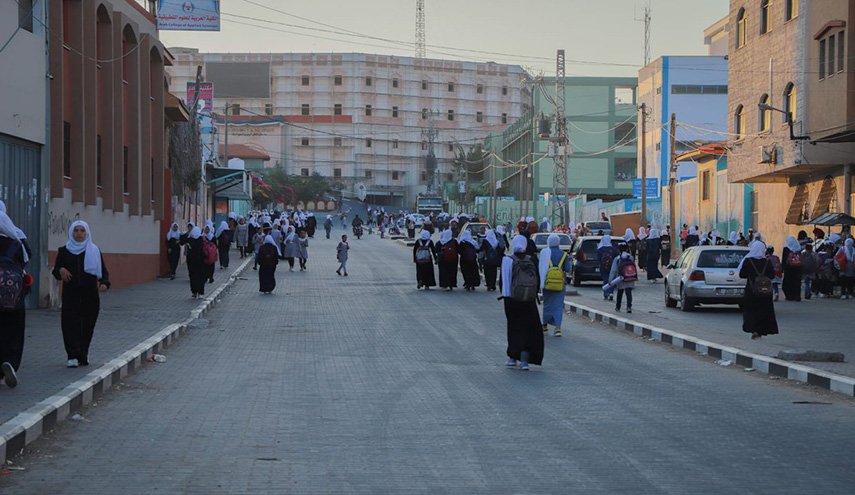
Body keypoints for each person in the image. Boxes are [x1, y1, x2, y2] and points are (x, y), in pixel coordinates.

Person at [52, 221, 110, 368]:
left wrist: (104, 282)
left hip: (89, 294)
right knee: (70, 324)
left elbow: (103, 270)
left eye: (82, 230)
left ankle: (83, 354)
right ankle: (72, 355)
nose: (79, 233)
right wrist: (60, 270)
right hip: (71, 294)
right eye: (76, 230)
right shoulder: (64, 251)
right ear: (71, 233)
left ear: (87, 233)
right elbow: (56, 270)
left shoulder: (94, 250)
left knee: (87, 325)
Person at [500, 235, 544, 371]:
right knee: (528, 329)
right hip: (529, 300)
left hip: (512, 300)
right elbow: (537, 279)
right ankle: (525, 361)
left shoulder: (507, 260)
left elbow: (503, 283)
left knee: (514, 328)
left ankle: (513, 357)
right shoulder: (532, 259)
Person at [0, 211, 30, 388]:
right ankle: (10, 361)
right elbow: (24, 264)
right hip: (13, 297)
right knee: (13, 330)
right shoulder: (15, 244)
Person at [739, 240, 779, 339]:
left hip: (751, 291)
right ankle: (761, 330)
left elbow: (742, 274)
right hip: (765, 290)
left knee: (751, 311)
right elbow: (772, 275)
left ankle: (753, 329)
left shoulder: (748, 261)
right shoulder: (767, 262)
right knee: (763, 311)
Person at [539, 233, 572, 337]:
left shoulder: (544, 253)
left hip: (547, 283)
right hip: (560, 284)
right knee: (558, 305)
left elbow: (539, 267)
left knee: (547, 304)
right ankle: (557, 328)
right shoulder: (564, 254)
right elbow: (568, 269)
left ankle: (544, 325)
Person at [608, 243, 636, 314]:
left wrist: (610, 280)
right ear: (627, 249)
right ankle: (629, 307)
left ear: (618, 250)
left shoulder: (617, 258)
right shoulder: (631, 257)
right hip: (630, 276)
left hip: (620, 277)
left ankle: (618, 307)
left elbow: (613, 270)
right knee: (628, 292)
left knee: (620, 292)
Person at [180, 226, 207, 298]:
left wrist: (187, 233)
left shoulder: (189, 239)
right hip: (201, 262)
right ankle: (200, 292)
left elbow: (181, 241)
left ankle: (194, 292)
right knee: (201, 277)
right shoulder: (202, 239)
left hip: (191, 261)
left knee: (193, 277)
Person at [781, 236, 803, 302]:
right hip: (798, 268)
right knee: (797, 282)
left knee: (787, 282)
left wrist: (782, 268)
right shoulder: (799, 249)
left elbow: (784, 259)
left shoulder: (786, 249)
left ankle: (789, 296)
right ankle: (797, 296)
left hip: (788, 269)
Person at [597, 235, 617, 301]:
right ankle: (611, 293)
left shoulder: (600, 249)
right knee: (612, 279)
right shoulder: (613, 249)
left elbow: (598, 259)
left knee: (605, 279)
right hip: (612, 267)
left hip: (603, 267)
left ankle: (606, 293)